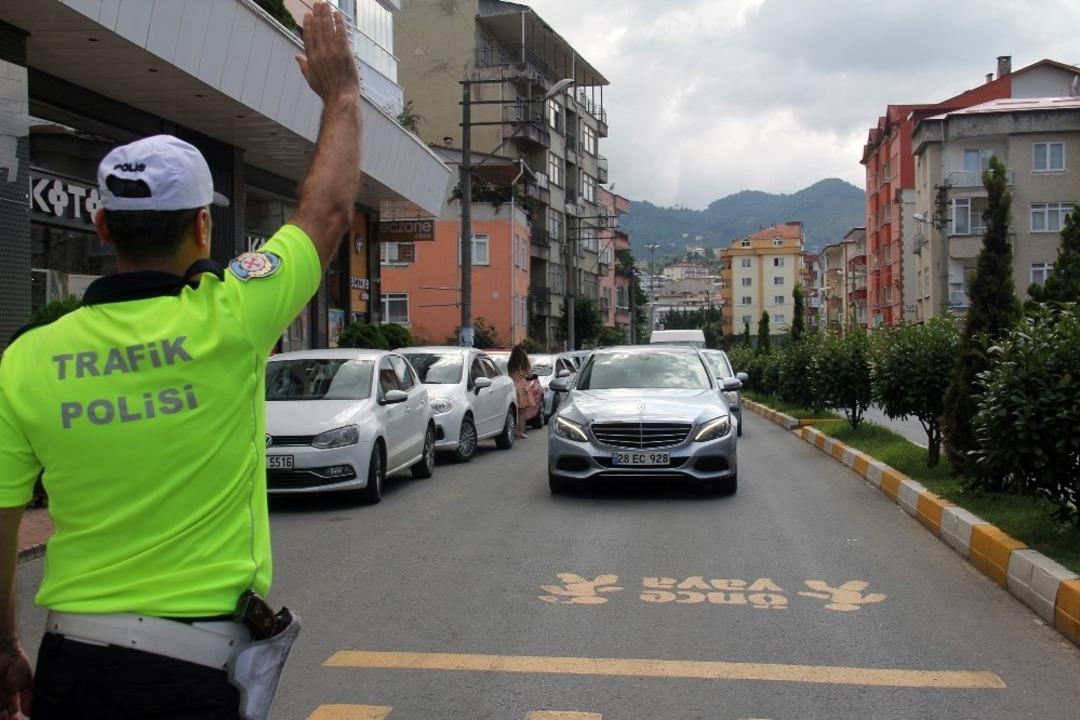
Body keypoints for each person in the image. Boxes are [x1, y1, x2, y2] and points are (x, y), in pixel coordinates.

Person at [0, 3, 361, 718]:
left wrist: (5, 646)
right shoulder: (232, 316)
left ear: (100, 226)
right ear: (204, 225)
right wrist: (342, 95)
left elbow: (4, 521)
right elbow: (325, 212)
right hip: (193, 673)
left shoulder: (26, 358)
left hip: (72, 663)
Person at [507, 345, 535, 438]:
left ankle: (513, 430)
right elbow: (529, 374)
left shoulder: (511, 363)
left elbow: (509, 374)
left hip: (513, 386)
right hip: (522, 387)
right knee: (522, 412)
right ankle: (520, 431)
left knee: (513, 410)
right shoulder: (524, 362)